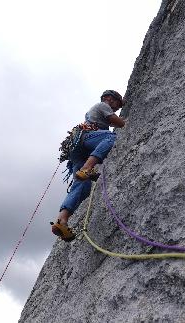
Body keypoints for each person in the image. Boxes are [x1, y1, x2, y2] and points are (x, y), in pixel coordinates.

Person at [51, 90, 125, 241]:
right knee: (111, 137)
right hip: (87, 138)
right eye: (117, 105)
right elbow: (119, 123)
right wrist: (126, 121)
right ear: (109, 99)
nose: (116, 109)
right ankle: (87, 168)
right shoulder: (102, 105)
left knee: (82, 187)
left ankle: (62, 221)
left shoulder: (94, 114)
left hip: (77, 151)